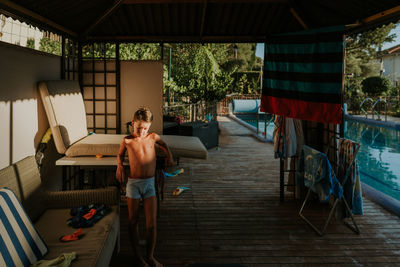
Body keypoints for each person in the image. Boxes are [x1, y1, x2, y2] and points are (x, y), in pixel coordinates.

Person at [116, 107, 173, 267]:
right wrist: (119, 166)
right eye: (139, 127)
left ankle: (150, 256)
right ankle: (138, 258)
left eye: (145, 128)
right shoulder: (127, 140)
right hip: (133, 185)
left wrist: (170, 156)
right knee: (133, 221)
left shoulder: (153, 137)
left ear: (149, 127)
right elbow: (120, 155)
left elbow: (164, 144)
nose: (142, 131)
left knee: (151, 223)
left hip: (149, 184)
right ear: (133, 124)